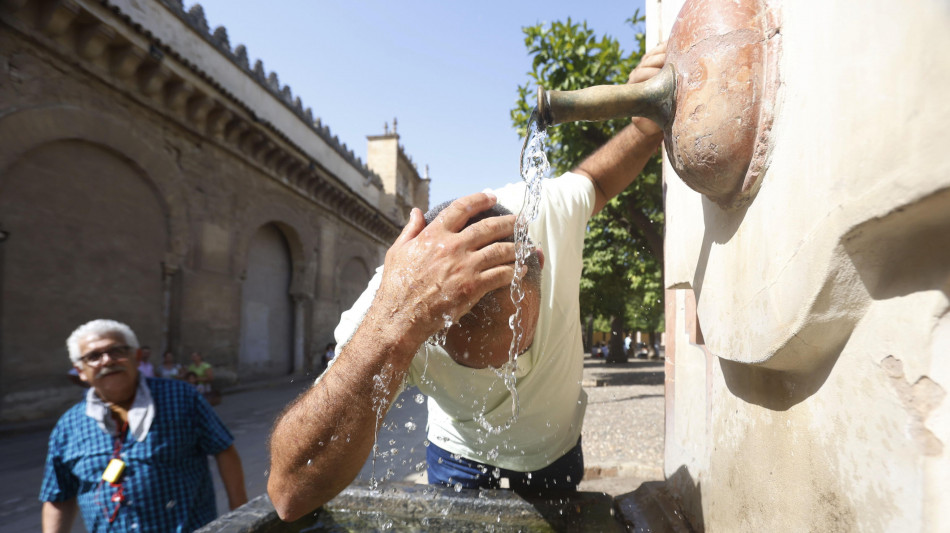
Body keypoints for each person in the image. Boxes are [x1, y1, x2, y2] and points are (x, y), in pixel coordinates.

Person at [267, 43, 667, 521]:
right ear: (433, 327)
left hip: (557, 454)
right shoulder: (394, 307)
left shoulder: (544, 216)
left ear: (536, 263)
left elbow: (597, 182)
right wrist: (393, 327)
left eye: (514, 348)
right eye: (472, 364)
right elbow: (289, 493)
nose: (504, 378)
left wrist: (645, 127)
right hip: (456, 459)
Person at [40, 319, 247, 532]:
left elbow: (224, 450)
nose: (107, 360)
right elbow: (58, 496)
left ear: (137, 357)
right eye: (94, 356)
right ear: (80, 371)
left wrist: (242, 515)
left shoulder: (181, 397)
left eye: (117, 351)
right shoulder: (69, 425)